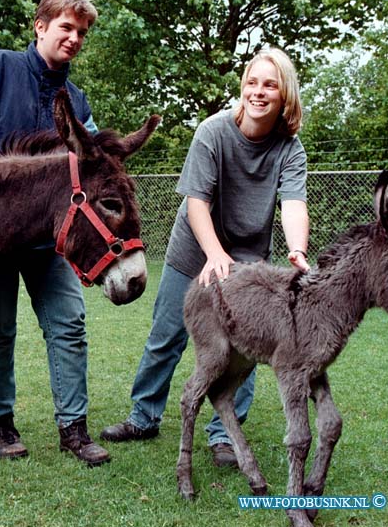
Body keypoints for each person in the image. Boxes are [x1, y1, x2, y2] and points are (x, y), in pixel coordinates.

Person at [100, 47, 311, 468]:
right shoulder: (212, 132)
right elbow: (196, 200)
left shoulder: (290, 148)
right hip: (195, 249)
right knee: (168, 336)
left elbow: (293, 204)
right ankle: (144, 417)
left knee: (244, 349)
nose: (258, 91)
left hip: (250, 258)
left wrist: (298, 250)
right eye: (252, 82)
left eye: (270, 84)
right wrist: (214, 254)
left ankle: (223, 435)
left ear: (284, 93)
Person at [0, 0, 110, 467]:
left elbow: (90, 159)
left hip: (51, 240)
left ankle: (74, 430)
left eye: (82, 33)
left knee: (69, 324)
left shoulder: (76, 99)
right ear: (41, 26)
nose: (74, 39)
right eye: (66, 28)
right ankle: (1, 424)